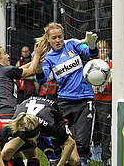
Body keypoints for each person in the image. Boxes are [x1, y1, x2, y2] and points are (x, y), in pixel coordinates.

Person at [35, 22, 98, 165]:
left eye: (60, 37)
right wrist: (38, 64)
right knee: (61, 140)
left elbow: (90, 52)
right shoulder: (48, 58)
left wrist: (92, 45)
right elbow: (42, 79)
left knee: (82, 144)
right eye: (54, 38)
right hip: (64, 101)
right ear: (48, 39)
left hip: (84, 100)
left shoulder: (73, 44)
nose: (58, 40)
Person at [4, 96, 80, 166]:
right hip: (29, 113)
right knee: (8, 151)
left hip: (52, 116)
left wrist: (60, 164)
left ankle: (56, 149)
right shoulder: (15, 123)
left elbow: (70, 143)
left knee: (75, 160)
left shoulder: (50, 126)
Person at [0, 43, 45, 119]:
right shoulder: (6, 70)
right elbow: (31, 71)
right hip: (6, 113)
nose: (8, 56)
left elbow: (18, 70)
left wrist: (35, 61)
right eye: (5, 54)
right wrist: (37, 54)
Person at [91, 40, 112, 164]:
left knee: (105, 130)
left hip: (106, 101)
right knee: (93, 129)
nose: (102, 52)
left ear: (108, 51)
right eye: (100, 49)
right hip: (94, 100)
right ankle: (91, 154)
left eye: (104, 49)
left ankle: (105, 158)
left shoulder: (111, 64)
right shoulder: (92, 65)